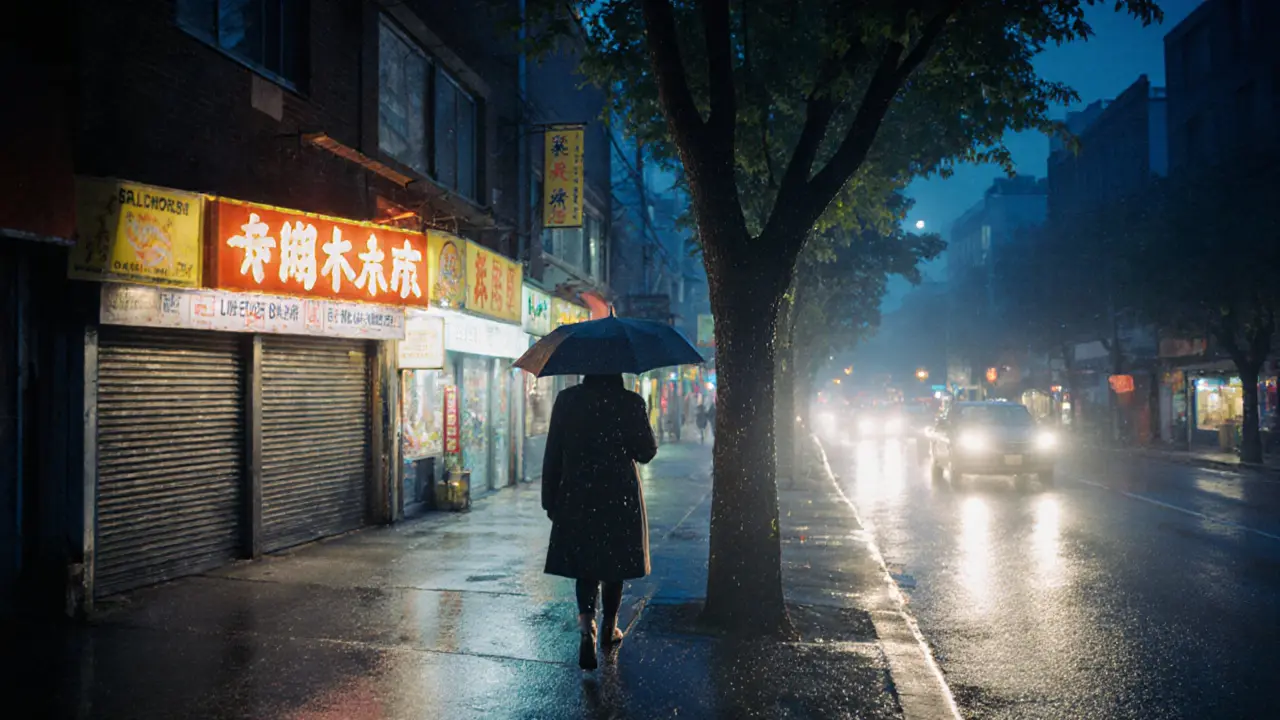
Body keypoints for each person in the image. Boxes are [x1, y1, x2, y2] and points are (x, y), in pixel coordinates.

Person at [542, 373, 659, 670]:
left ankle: (585, 626)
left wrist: (550, 497)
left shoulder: (568, 400)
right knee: (613, 563)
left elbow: (553, 451)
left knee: (585, 562)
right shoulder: (630, 402)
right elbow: (646, 451)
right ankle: (609, 626)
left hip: (578, 492)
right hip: (618, 493)